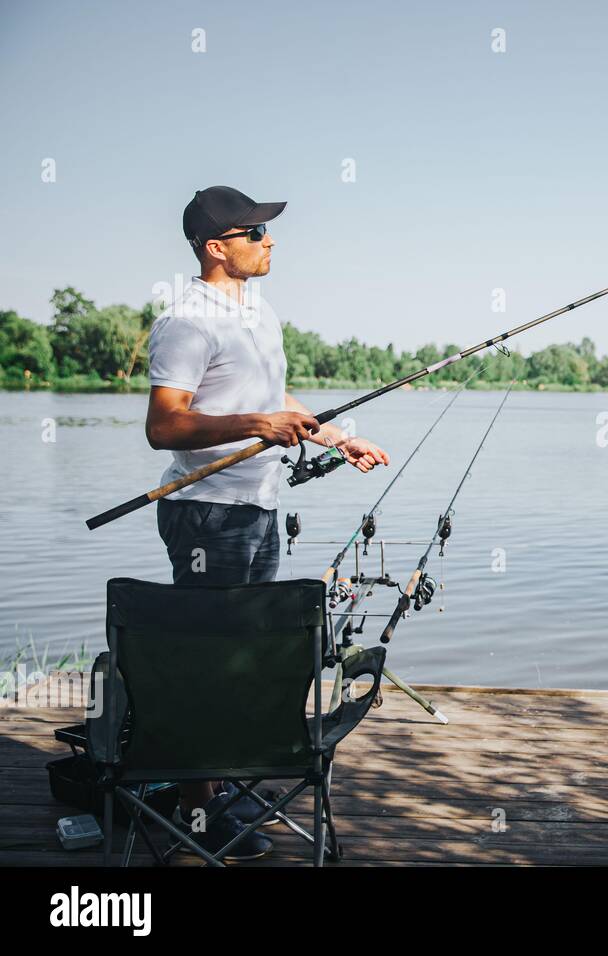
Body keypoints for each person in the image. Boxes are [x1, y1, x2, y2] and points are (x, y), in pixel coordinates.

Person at [145, 185, 391, 860]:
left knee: (244, 659)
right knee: (211, 662)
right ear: (216, 247)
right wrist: (260, 424)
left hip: (258, 509)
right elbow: (165, 425)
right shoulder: (187, 321)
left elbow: (271, 398)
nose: (271, 240)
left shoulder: (259, 312)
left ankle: (217, 784)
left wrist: (336, 437)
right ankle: (198, 810)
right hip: (206, 518)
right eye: (256, 232)